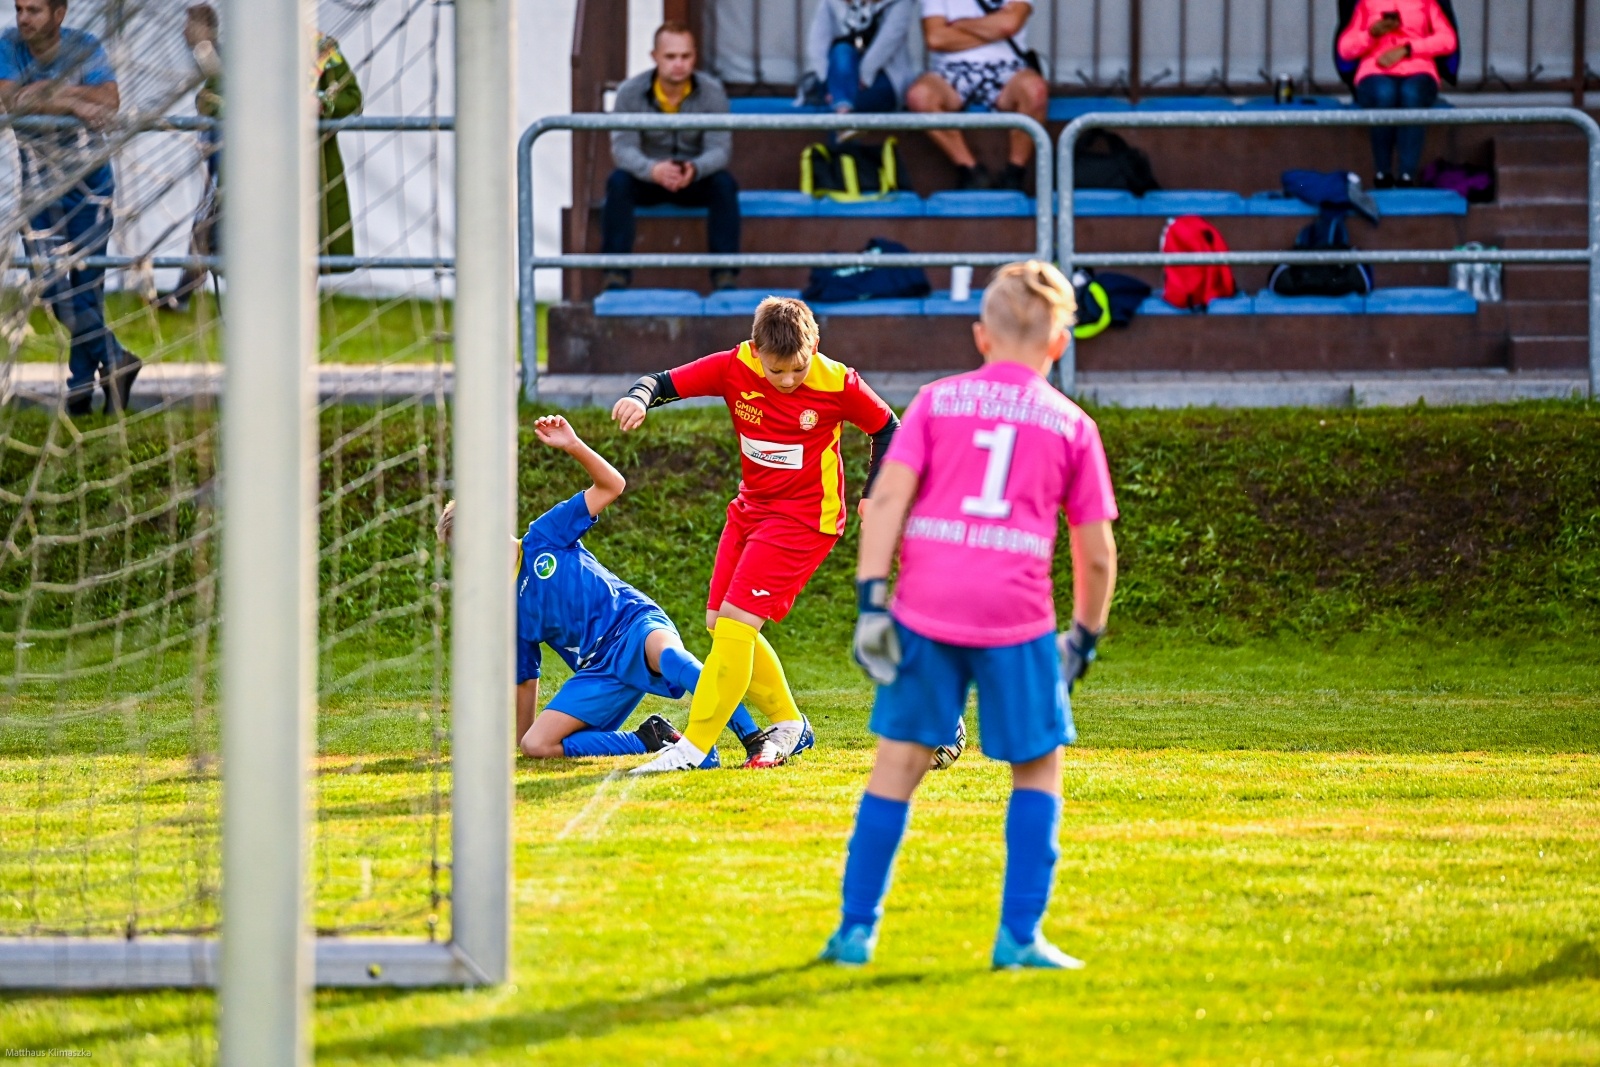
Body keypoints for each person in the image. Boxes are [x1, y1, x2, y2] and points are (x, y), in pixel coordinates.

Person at [819, 260, 1119, 969]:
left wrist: (870, 600)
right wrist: (1084, 636)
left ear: (981, 336)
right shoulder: (1072, 425)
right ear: (1059, 343)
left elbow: (886, 501)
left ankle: (856, 931)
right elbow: (1096, 551)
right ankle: (1020, 936)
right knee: (1037, 768)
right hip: (1018, 619)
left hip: (926, 607)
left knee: (898, 763)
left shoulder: (934, 402)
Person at [611, 297, 899, 772]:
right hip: (751, 510)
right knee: (718, 623)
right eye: (776, 371)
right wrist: (638, 398)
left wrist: (874, 494)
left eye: (798, 370)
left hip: (805, 519)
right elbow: (662, 383)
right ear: (755, 349)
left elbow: (888, 428)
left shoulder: (838, 381)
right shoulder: (733, 366)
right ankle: (789, 723)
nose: (787, 381)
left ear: (816, 347)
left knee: (736, 625)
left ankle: (692, 749)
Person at [436, 415, 776, 764]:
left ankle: (755, 740)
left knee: (672, 657)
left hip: (632, 624)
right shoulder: (508, 611)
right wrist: (521, 742)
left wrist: (572, 444)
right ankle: (651, 738)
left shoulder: (544, 536)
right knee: (537, 746)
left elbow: (612, 485)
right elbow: (526, 678)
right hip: (598, 671)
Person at [0, 0, 140, 417]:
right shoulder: (8, 46)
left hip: (89, 186)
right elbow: (12, 101)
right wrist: (76, 103)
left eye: (35, 10)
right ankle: (116, 359)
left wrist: (50, 94)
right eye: (20, 9)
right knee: (53, 287)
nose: (24, 18)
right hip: (40, 191)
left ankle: (79, 391)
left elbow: (109, 100)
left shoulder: (85, 46)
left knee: (86, 287)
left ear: (59, 15)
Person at [603, 22, 739, 293]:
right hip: (648, 178)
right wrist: (652, 169)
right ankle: (615, 271)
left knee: (724, 184)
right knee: (618, 183)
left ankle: (725, 273)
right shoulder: (630, 92)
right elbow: (622, 147)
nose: (679, 64)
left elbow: (720, 148)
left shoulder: (712, 92)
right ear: (654, 56)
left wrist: (695, 168)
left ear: (694, 56)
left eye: (685, 56)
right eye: (670, 56)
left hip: (693, 177)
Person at [905, 0, 1048, 190]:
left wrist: (960, 24)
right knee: (919, 96)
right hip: (950, 70)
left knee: (1036, 91)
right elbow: (936, 39)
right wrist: (993, 27)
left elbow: (1009, 25)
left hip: (1008, 69)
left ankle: (1014, 172)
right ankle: (970, 169)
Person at [1338, 0, 1457, 188]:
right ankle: (1382, 173)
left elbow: (1448, 40)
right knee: (1384, 93)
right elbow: (1345, 49)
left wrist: (1409, 49)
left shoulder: (1427, 2)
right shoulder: (1365, 4)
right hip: (1376, 70)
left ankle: (1406, 176)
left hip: (1419, 68)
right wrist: (1371, 35)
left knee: (1411, 94)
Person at [157, 3, 223, 313]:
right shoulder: (208, 58)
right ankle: (180, 297)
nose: (185, 32)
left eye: (191, 26)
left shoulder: (212, 56)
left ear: (206, 29)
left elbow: (217, 99)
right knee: (206, 228)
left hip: (232, 163)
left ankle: (180, 298)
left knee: (207, 228)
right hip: (219, 162)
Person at [802, 0, 918, 116]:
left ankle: (841, 112)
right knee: (841, 49)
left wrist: (864, 76)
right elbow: (817, 45)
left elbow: (888, 42)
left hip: (883, 78)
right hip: (838, 78)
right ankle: (843, 112)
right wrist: (828, 83)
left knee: (838, 105)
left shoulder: (901, 3)